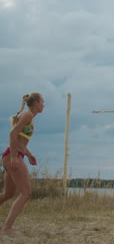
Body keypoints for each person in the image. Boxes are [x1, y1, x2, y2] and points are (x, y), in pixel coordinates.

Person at [0, 93, 44, 235]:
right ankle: (7, 229)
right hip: (12, 157)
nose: (44, 105)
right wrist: (14, 157)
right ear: (36, 103)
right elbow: (12, 134)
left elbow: (19, 141)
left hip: (12, 156)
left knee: (7, 194)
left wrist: (29, 155)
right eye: (42, 102)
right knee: (26, 193)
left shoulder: (29, 117)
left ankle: (6, 228)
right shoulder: (28, 115)